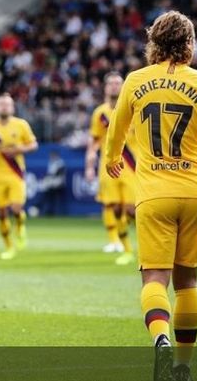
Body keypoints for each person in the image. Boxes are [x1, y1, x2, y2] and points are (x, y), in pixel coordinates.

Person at [104, 11, 197, 381]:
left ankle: (161, 340)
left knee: (154, 279)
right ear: (189, 44)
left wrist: (111, 159)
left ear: (154, 42)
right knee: (188, 283)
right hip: (194, 193)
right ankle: (182, 365)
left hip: (153, 194)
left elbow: (115, 131)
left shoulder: (135, 81)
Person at [0, 94, 38, 259]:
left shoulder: (21, 125)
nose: (4, 107)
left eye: (7, 104)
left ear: (12, 107)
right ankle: (9, 247)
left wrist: (20, 149)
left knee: (16, 208)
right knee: (2, 213)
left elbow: (33, 144)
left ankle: (20, 225)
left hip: (16, 173)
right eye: (1, 104)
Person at [85, 72, 138, 264]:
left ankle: (122, 238)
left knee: (132, 209)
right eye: (111, 84)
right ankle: (126, 249)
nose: (114, 86)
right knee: (114, 207)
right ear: (106, 87)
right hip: (109, 167)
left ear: (124, 86)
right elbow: (94, 142)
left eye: (118, 83)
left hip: (132, 168)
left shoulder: (134, 109)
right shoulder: (100, 113)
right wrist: (89, 166)